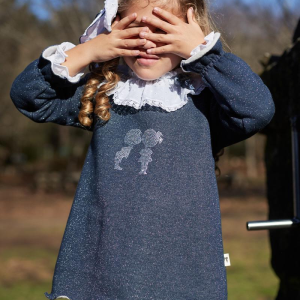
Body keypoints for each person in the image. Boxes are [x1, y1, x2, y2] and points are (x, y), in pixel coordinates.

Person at [10, 0, 276, 299]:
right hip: (97, 273)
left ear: (192, 32)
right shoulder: (105, 91)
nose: (147, 41)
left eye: (163, 29)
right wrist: (90, 50)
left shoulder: (205, 98)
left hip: (185, 277)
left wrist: (204, 55)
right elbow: (28, 96)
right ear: (114, 27)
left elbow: (257, 109)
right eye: (136, 29)